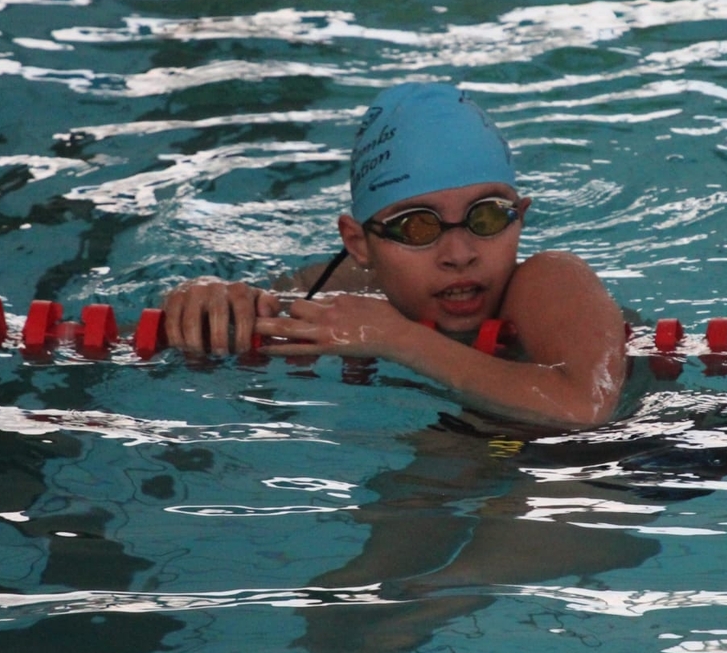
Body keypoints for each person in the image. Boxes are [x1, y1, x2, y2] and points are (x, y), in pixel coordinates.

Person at [162, 81, 625, 429]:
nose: (459, 254)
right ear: (359, 244)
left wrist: (398, 339)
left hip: (629, 459)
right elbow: (241, 307)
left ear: (519, 217)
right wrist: (206, 298)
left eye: (486, 217)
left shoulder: (551, 280)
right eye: (417, 226)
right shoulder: (336, 287)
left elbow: (584, 407)